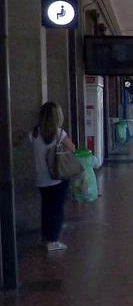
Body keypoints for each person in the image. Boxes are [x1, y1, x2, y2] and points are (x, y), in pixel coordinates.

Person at [29, 101, 76, 252]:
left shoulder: (34, 133)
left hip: (41, 179)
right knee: (57, 209)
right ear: (57, 116)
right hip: (56, 178)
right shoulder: (59, 133)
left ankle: (45, 237)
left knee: (46, 209)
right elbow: (72, 148)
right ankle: (54, 240)